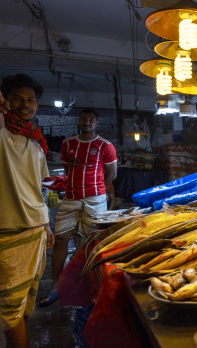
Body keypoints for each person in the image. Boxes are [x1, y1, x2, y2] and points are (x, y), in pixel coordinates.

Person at [38, 108, 117, 307]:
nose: (87, 122)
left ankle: (88, 286)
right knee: (61, 239)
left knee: (90, 242)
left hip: (95, 199)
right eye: (83, 118)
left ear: (97, 123)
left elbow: (112, 174)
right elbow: (68, 170)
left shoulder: (105, 145)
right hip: (71, 198)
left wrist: (97, 190)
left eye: (92, 119)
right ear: (79, 121)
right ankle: (56, 287)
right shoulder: (68, 144)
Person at [0, 74, 55, 348]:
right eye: (17, 99)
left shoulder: (35, 143)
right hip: (8, 232)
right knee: (10, 310)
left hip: (35, 230)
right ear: (5, 102)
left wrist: (46, 224)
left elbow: (42, 187)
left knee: (22, 303)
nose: (25, 105)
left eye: (30, 100)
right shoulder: (2, 134)